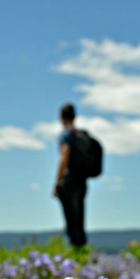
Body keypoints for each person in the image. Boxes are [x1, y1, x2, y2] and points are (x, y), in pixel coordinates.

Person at [53, 103, 87, 247]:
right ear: (74, 117)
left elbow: (64, 158)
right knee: (79, 218)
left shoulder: (66, 135)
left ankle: (75, 249)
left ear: (61, 117)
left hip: (69, 181)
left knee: (71, 219)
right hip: (82, 181)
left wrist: (57, 183)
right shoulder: (81, 135)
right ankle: (82, 249)